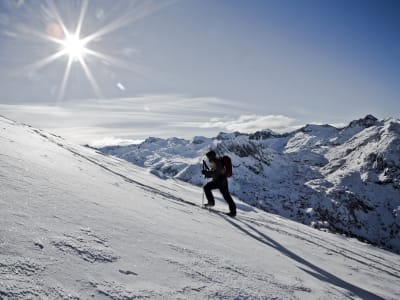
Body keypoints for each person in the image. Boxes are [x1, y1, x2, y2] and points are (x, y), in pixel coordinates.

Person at [202, 150, 237, 217]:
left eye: (208, 156)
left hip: (221, 182)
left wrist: (207, 173)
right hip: (217, 181)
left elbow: (216, 173)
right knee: (207, 187)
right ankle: (211, 202)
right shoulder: (214, 161)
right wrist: (207, 173)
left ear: (211, 156)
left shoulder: (217, 162)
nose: (208, 158)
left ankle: (233, 212)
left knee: (226, 196)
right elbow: (214, 172)